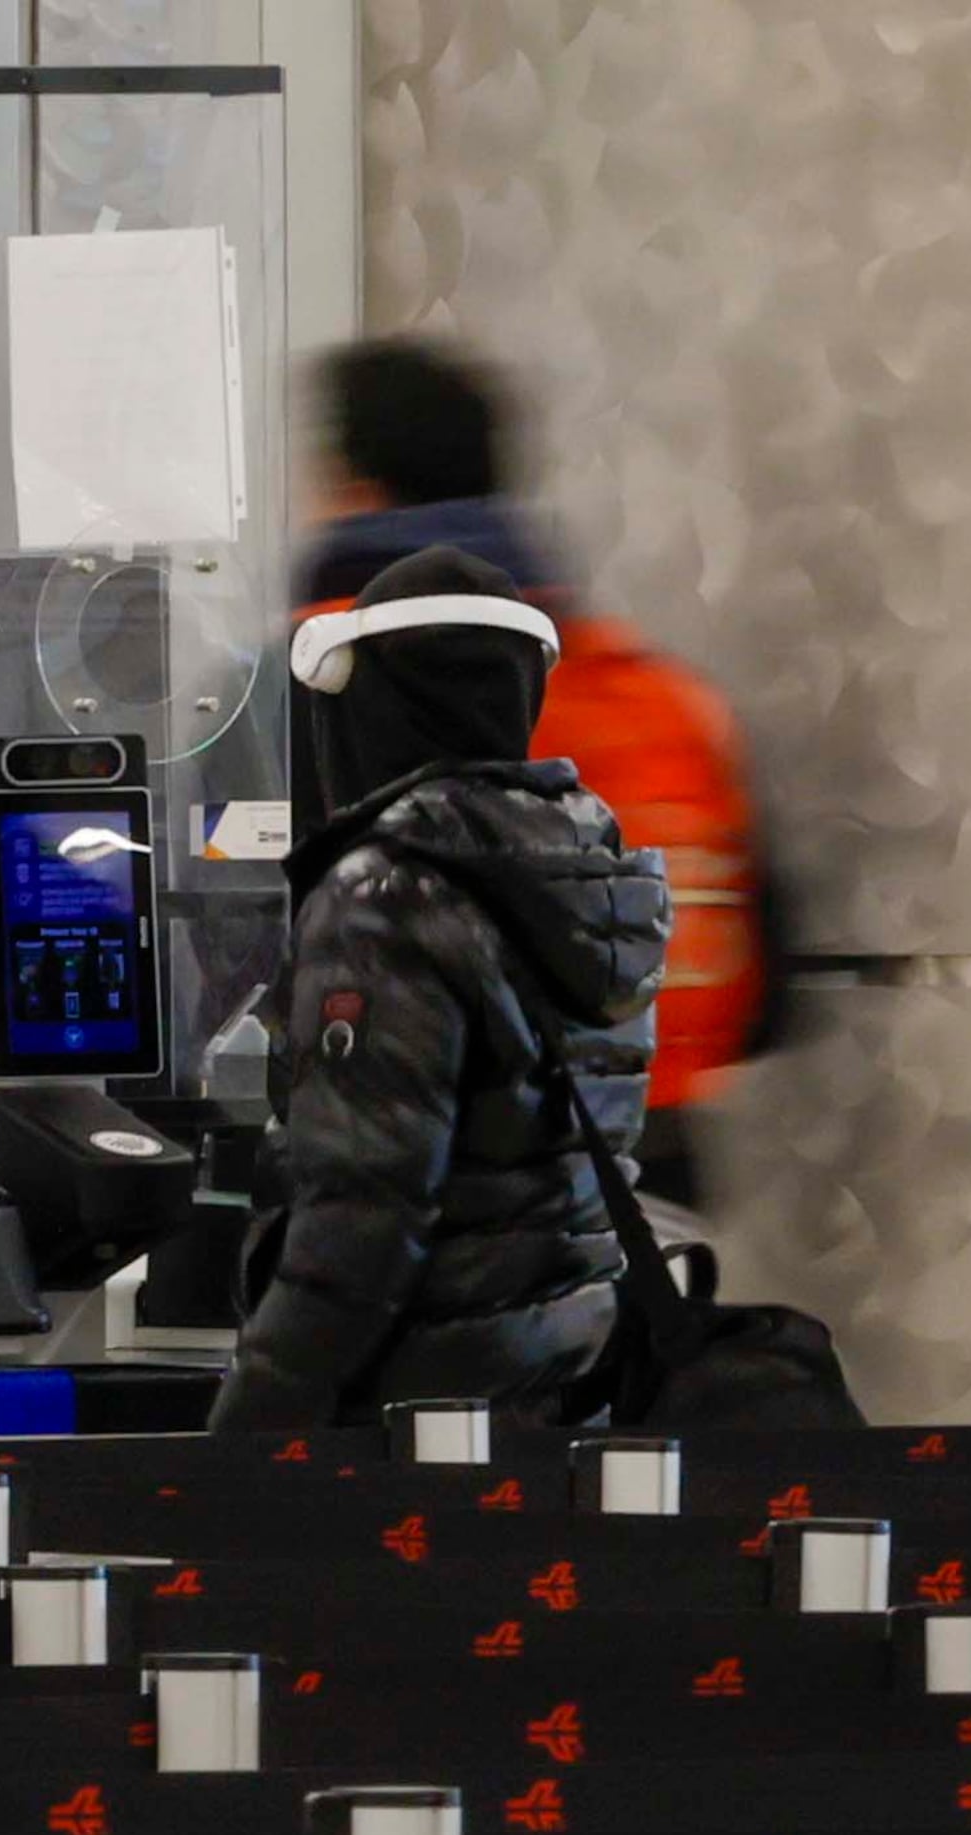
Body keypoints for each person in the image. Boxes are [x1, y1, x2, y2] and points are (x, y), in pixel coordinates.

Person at [209, 549, 669, 1434]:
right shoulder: (586, 867)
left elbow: (363, 1215)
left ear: (374, 699)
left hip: (416, 1411)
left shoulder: (384, 894)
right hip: (565, 1380)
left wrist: (255, 1419)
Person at [305, 338, 772, 1209]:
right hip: (657, 1175)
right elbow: (763, 987)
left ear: (353, 485)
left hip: (455, 1196)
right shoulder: (658, 699)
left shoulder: (348, 684)